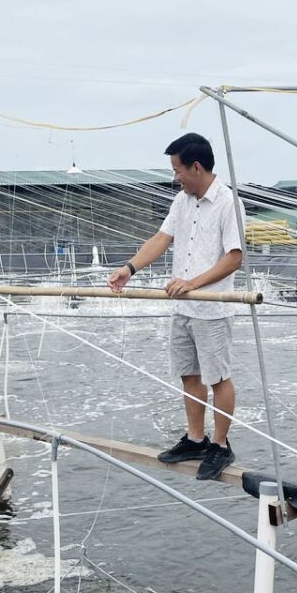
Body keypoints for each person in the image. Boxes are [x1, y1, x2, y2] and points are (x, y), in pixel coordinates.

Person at [107, 132, 244, 481]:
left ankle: (220, 444)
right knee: (189, 374)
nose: (175, 177)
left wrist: (193, 283)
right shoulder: (181, 201)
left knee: (218, 378)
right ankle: (196, 439)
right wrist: (129, 269)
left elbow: (234, 259)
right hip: (183, 307)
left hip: (212, 307)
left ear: (196, 167)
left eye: (178, 170)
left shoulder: (229, 202)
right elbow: (161, 239)